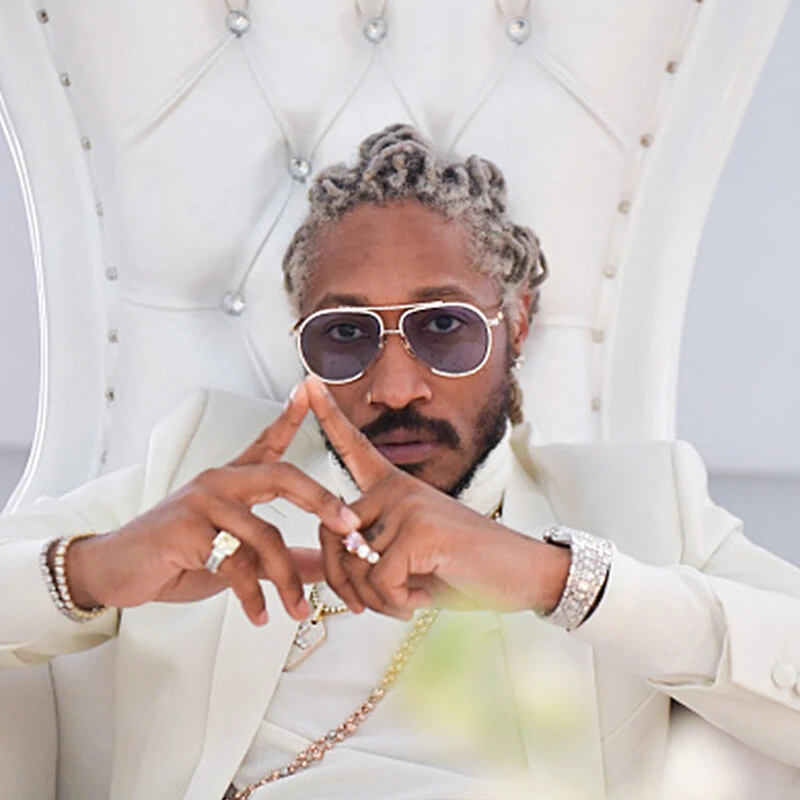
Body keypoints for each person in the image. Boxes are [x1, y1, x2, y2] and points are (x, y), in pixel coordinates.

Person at [2, 123, 800, 800]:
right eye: (345, 335)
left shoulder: (636, 501)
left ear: (517, 322)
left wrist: (556, 580)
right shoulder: (203, 464)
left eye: (442, 327)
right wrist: (91, 571)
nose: (394, 387)